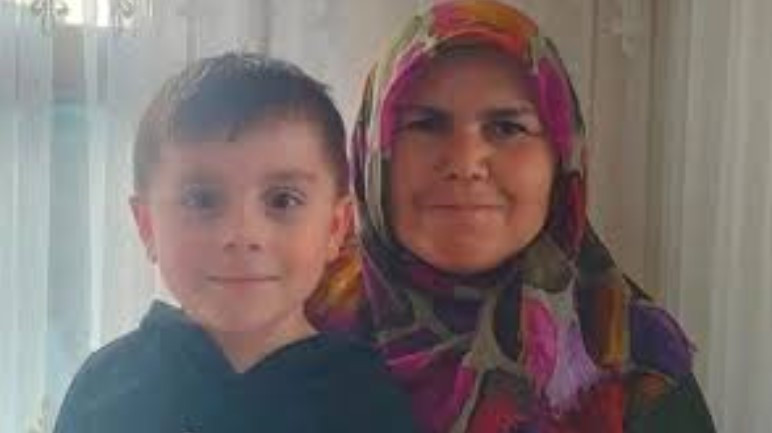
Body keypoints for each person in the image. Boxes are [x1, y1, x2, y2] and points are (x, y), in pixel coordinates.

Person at [308, 1, 716, 432]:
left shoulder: (629, 357)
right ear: (372, 153)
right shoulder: (293, 321)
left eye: (506, 128)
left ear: (561, 158)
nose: (466, 163)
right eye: (426, 124)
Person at [54, 52, 418, 433]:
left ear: (334, 228)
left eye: (283, 200)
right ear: (147, 227)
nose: (242, 235)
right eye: (201, 200)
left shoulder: (370, 401)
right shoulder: (104, 389)